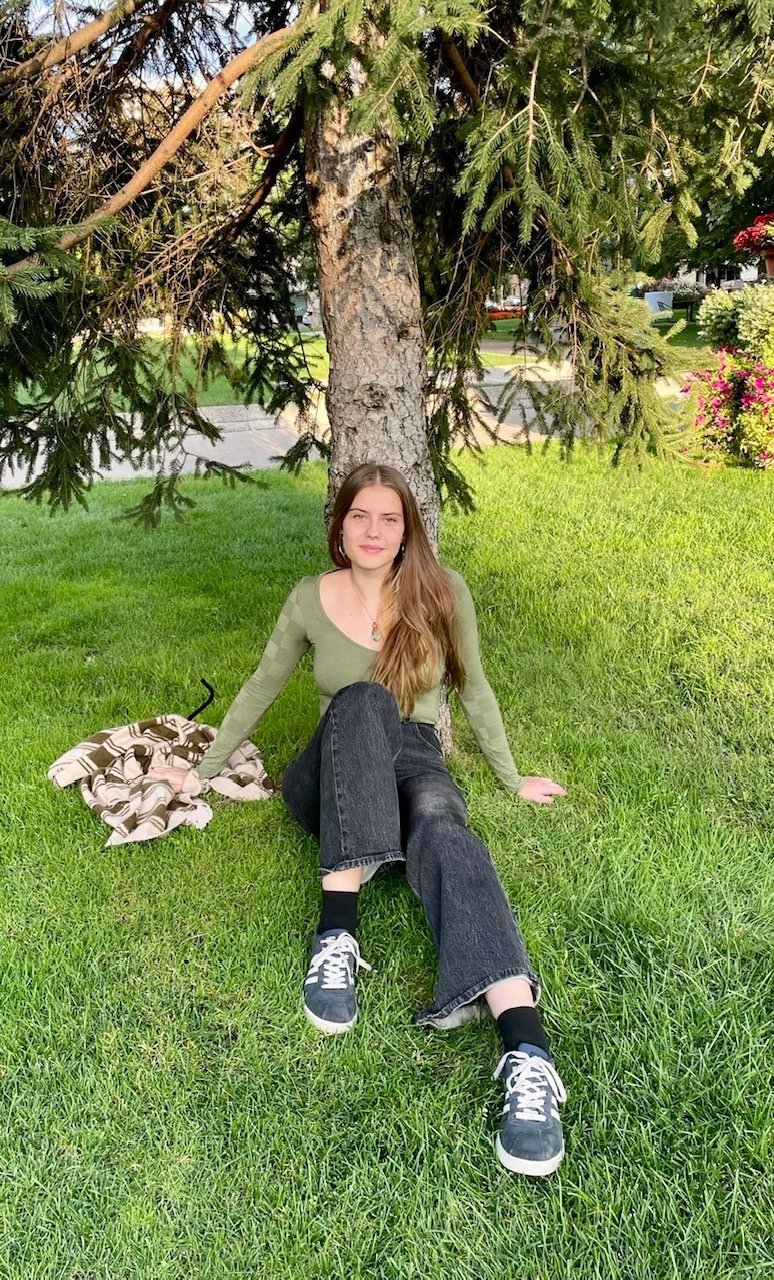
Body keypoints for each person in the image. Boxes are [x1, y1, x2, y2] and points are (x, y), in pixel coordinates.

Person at [163, 461, 568, 1177]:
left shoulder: (442, 594)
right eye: (361, 516)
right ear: (340, 526)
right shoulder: (310, 598)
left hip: (412, 757)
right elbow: (262, 685)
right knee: (365, 700)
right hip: (330, 770)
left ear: (406, 528)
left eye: (390, 518)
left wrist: (511, 777)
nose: (374, 530)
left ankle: (525, 1049)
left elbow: (474, 692)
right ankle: (336, 938)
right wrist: (197, 773)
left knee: (445, 828)